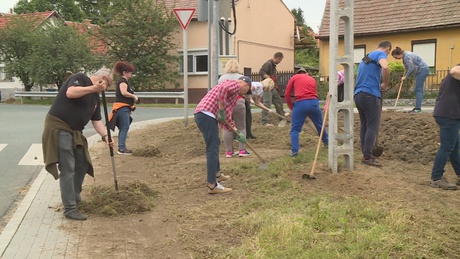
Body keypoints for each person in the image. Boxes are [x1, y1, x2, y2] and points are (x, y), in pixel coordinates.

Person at [42, 68, 114, 220]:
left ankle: (74, 196)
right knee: (68, 166)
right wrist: (95, 88)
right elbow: (71, 93)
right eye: (108, 85)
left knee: (82, 163)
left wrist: (105, 136)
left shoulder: (95, 97)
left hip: (75, 131)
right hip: (59, 127)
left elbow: (96, 120)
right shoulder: (80, 78)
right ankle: (70, 208)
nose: (106, 89)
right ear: (102, 78)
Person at [194, 76, 251, 194]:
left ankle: (217, 174)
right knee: (212, 149)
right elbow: (223, 89)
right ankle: (212, 185)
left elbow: (226, 118)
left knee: (215, 144)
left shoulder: (234, 96)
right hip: (206, 114)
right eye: (247, 90)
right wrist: (220, 110)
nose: (245, 93)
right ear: (245, 85)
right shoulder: (235, 85)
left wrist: (236, 132)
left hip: (205, 115)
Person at [354, 41, 392, 167]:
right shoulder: (380, 54)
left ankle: (365, 153)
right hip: (370, 94)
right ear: (387, 49)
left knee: (365, 124)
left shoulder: (367, 56)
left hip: (358, 94)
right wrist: (385, 83)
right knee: (372, 126)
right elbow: (385, 67)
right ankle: (367, 156)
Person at [429, 64, 460, 190]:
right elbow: (453, 71)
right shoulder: (457, 69)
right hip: (449, 114)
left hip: (449, 113)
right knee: (447, 147)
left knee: (454, 146)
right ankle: (436, 178)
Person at [285, 68, 328, 157]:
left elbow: (287, 94)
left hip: (301, 103)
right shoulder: (311, 79)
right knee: (320, 125)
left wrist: (291, 108)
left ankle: (295, 151)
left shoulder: (294, 77)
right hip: (314, 103)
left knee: (295, 129)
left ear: (298, 73)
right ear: (306, 73)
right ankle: (327, 142)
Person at [217, 60, 249, 158]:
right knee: (241, 126)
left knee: (227, 127)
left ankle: (229, 151)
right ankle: (242, 150)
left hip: (225, 104)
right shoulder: (241, 77)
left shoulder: (222, 78)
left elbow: (219, 91)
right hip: (239, 102)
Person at [109, 61, 138, 155]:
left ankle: (122, 147)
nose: (131, 74)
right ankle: (121, 148)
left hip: (124, 108)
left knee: (124, 127)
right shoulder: (122, 81)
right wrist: (134, 96)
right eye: (130, 72)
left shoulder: (123, 81)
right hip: (122, 108)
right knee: (124, 127)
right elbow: (124, 92)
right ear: (125, 72)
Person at [391, 47, 430, 113]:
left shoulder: (407, 57)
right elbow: (409, 65)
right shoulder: (405, 55)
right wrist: (405, 67)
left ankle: (418, 108)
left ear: (399, 54)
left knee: (418, 89)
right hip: (420, 70)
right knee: (418, 89)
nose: (396, 59)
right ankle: (417, 107)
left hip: (422, 70)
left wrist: (405, 77)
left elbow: (411, 68)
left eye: (396, 57)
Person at [260, 52, 286, 127]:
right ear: (278, 58)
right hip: (267, 87)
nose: (280, 62)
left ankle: (282, 117)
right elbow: (261, 72)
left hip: (271, 86)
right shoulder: (268, 64)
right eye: (280, 60)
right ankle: (264, 122)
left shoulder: (273, 65)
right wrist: (269, 79)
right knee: (267, 103)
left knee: (278, 100)